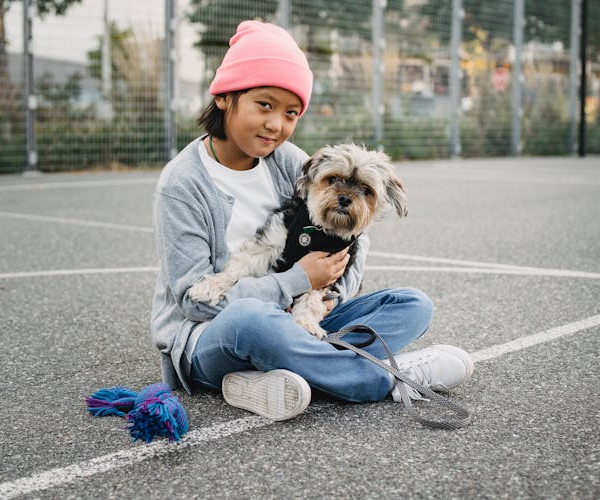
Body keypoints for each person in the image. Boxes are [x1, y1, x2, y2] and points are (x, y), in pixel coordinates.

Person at [152, 20, 473, 421]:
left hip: (301, 316)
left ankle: (278, 375)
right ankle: (386, 377)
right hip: (211, 336)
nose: (276, 125)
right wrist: (296, 282)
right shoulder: (182, 184)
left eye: (291, 113)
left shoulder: (289, 160)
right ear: (224, 97)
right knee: (253, 320)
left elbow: (351, 243)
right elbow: (192, 301)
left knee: (412, 304)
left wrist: (323, 298)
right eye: (264, 105)